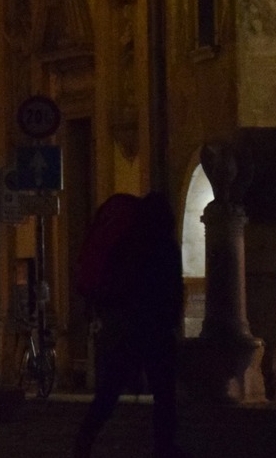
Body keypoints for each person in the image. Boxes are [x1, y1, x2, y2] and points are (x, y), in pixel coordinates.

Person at [73, 192, 183, 458]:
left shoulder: (128, 244)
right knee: (164, 396)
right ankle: (164, 448)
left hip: (125, 328)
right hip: (155, 329)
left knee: (109, 392)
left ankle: (84, 439)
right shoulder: (164, 245)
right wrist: (172, 323)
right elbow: (172, 290)